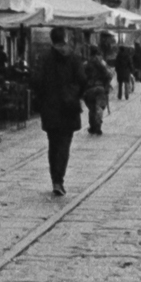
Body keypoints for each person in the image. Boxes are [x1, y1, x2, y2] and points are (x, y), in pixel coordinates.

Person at [29, 28, 85, 196]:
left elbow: (36, 81)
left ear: (51, 39)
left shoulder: (44, 58)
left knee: (53, 144)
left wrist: (43, 96)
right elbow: (82, 80)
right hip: (69, 108)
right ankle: (59, 179)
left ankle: (55, 178)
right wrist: (74, 95)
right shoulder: (75, 58)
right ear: (65, 38)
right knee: (64, 145)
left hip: (50, 107)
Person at [80, 46, 113, 136]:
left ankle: (92, 127)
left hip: (89, 89)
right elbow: (109, 75)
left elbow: (81, 78)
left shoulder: (85, 64)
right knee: (99, 107)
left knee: (91, 109)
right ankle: (98, 124)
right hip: (100, 88)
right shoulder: (102, 63)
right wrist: (106, 86)